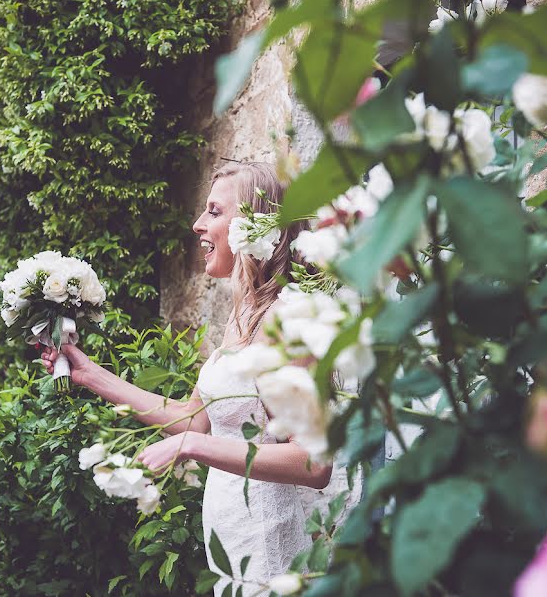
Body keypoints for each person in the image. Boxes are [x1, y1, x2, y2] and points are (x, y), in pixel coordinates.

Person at [42, 161, 331, 596]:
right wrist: (90, 375)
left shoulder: (287, 321)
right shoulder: (241, 318)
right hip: (233, 556)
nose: (198, 224)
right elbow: (194, 418)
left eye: (214, 212)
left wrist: (193, 447)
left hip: (270, 558)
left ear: (253, 224)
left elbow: (313, 463)